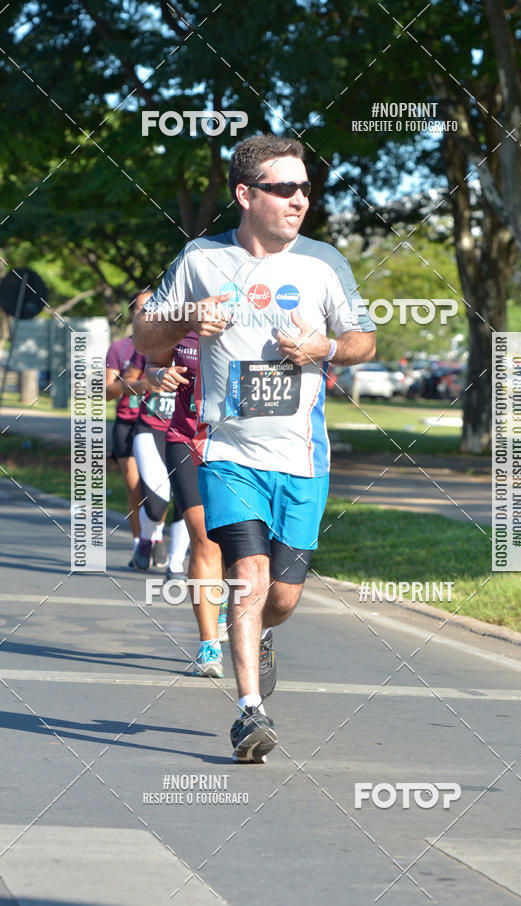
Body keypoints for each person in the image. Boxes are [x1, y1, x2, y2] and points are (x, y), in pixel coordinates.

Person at [134, 133, 376, 763]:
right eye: (283, 188)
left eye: (304, 187)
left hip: (303, 459)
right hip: (228, 452)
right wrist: (188, 317)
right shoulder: (200, 259)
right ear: (245, 195)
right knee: (248, 575)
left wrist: (322, 348)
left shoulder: (324, 263)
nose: (300, 199)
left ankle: (262, 636)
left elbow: (363, 341)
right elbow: (147, 340)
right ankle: (250, 712)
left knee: (283, 598)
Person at [145, 333, 226, 677]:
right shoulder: (183, 324)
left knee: (237, 543)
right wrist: (158, 376)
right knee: (204, 538)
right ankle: (209, 645)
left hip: (239, 445)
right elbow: (153, 366)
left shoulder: (258, 317)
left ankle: (223, 603)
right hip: (186, 438)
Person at [122, 326, 191, 577]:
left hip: (189, 432)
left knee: (188, 502)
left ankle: (175, 565)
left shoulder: (200, 349)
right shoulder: (151, 347)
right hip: (151, 429)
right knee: (157, 503)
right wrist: (151, 380)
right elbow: (126, 384)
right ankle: (147, 539)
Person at [105, 292, 151, 566]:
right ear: (133, 312)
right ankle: (140, 546)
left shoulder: (174, 344)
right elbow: (106, 391)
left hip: (162, 425)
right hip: (128, 422)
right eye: (143, 308)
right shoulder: (119, 348)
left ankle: (156, 538)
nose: (148, 313)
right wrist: (140, 385)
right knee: (135, 488)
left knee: (158, 489)